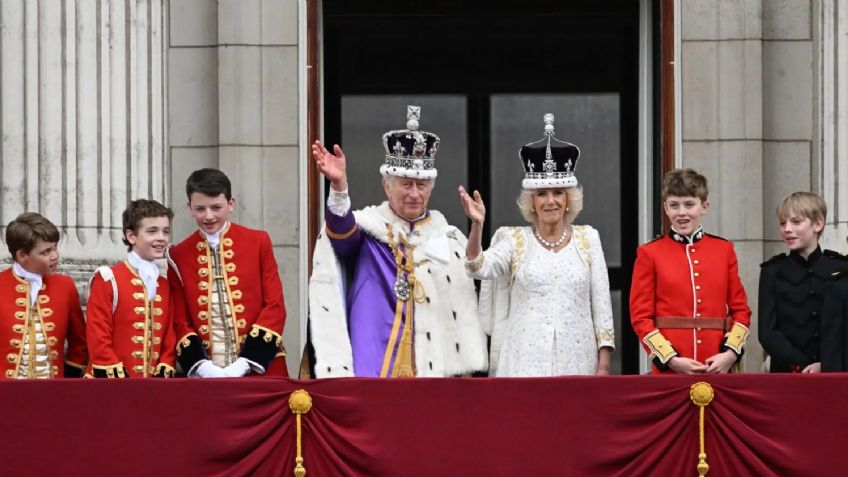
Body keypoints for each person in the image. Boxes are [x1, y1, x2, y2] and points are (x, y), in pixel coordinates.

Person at [309, 105, 487, 378]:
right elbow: (341, 233)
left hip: (433, 365)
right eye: (406, 184)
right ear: (386, 185)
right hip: (374, 354)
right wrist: (339, 187)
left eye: (422, 185)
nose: (414, 194)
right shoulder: (370, 230)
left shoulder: (446, 237)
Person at [460, 113, 614, 376]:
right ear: (531, 201)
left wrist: (603, 365)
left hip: (577, 360)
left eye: (558, 193)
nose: (550, 201)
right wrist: (477, 226)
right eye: (541, 194)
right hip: (523, 361)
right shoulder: (514, 239)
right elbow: (477, 267)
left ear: (569, 199)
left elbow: (601, 306)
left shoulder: (588, 238)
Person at [167, 168, 288, 378]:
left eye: (216, 207)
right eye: (200, 208)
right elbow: (179, 319)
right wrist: (201, 366)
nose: (209, 216)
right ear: (189, 209)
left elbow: (275, 306)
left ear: (231, 204)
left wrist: (245, 363)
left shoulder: (258, 241)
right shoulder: (178, 255)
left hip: (261, 369)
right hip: (206, 373)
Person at [630, 168, 751, 374]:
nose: (681, 212)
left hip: (717, 365)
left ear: (704, 207)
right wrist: (671, 360)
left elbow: (741, 310)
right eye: (674, 205)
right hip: (671, 369)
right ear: (665, 208)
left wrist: (730, 354)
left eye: (689, 204)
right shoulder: (649, 253)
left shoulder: (724, 250)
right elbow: (641, 317)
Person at [86, 200, 176, 378]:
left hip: (151, 388)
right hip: (110, 384)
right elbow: (98, 333)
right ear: (131, 236)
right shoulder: (108, 279)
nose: (161, 238)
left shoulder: (164, 284)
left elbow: (169, 334)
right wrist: (111, 367)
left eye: (165, 231)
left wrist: (166, 361)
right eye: (152, 231)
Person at [759, 192, 847, 372]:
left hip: (834, 374)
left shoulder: (842, 269)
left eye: (796, 222)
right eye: (783, 223)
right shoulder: (773, 271)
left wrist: (827, 365)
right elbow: (767, 333)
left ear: (818, 224)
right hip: (787, 375)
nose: (787, 229)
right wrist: (803, 365)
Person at [1, 213, 87, 379]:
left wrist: (68, 382)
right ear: (22, 256)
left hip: (52, 395)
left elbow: (79, 343)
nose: (54, 255)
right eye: (46, 251)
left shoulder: (65, 286)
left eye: (55, 247)